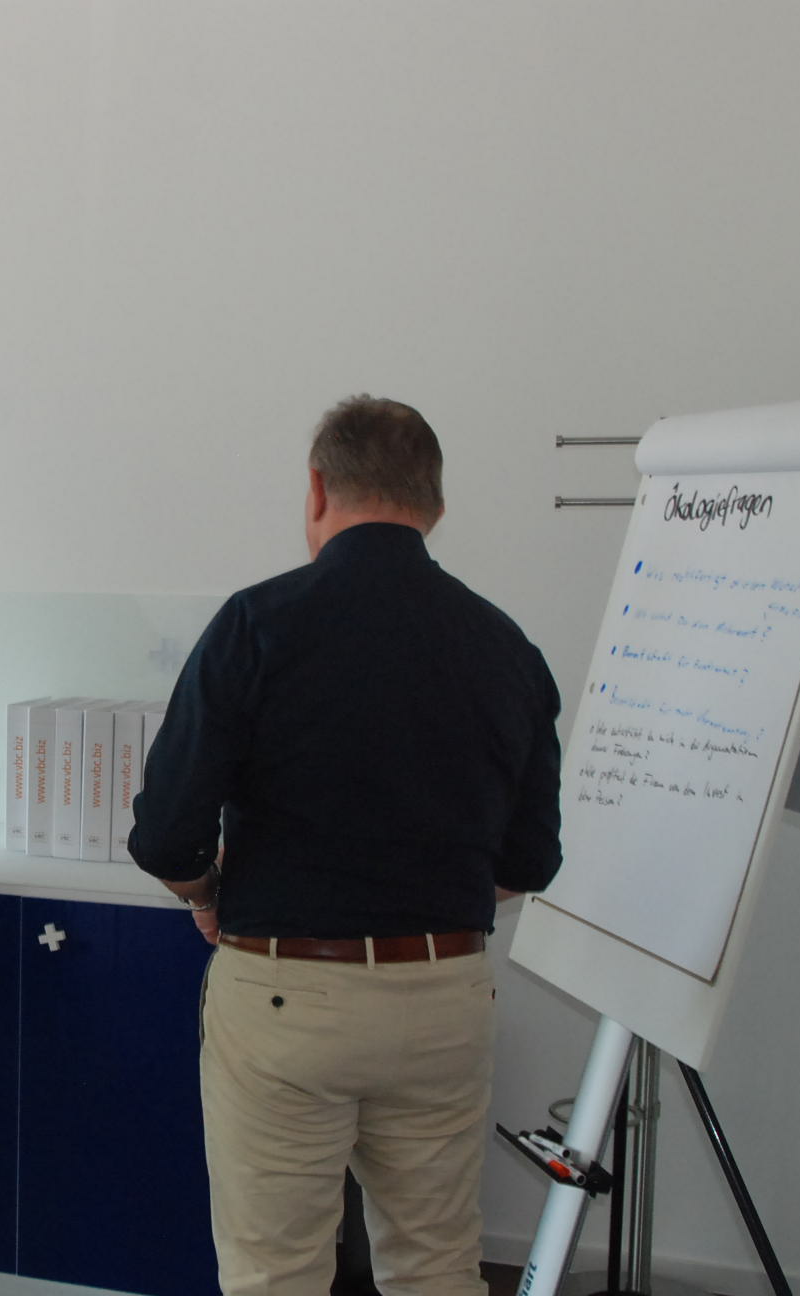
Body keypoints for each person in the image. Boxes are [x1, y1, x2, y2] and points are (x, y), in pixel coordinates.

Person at [129, 395, 563, 1296]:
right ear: (435, 501)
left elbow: (166, 833)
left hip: (287, 993)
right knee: (437, 1266)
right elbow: (530, 862)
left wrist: (206, 892)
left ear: (318, 488)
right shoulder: (506, 646)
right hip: (447, 992)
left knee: (276, 1272)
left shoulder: (256, 624)